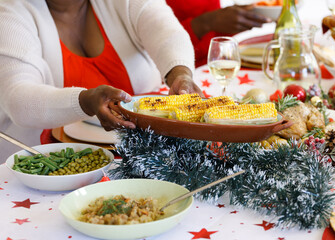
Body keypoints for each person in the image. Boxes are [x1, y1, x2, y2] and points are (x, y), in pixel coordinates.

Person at [0, 0, 203, 161]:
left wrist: (181, 74)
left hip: (146, 155)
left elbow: (167, 32)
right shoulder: (9, 12)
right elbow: (18, 99)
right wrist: (85, 101)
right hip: (50, 164)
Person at [166, 0, 271, 67]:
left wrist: (239, 18)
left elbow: (214, 31)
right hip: (175, 71)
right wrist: (206, 22)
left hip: (212, 64)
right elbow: (162, 43)